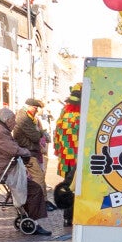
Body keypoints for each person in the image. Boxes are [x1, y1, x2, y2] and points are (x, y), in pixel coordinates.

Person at [0, 105, 48, 232]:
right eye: (13, 121)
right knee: (35, 189)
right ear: (7, 120)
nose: (14, 124)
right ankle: (33, 221)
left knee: (29, 187)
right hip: (2, 172)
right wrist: (27, 152)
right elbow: (13, 149)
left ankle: (25, 217)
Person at [53, 82, 81, 227]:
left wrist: (59, 151)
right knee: (76, 187)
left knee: (67, 186)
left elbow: (56, 137)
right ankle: (73, 216)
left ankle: (67, 217)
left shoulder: (63, 115)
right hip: (77, 159)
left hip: (65, 158)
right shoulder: (81, 116)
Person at [14, 96, 50, 193]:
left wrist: (39, 132)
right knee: (39, 177)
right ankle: (41, 199)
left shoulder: (27, 116)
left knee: (37, 175)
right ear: (29, 106)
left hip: (28, 150)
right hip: (27, 151)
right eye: (35, 108)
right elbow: (35, 136)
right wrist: (41, 132)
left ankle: (41, 198)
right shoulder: (24, 117)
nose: (36, 110)